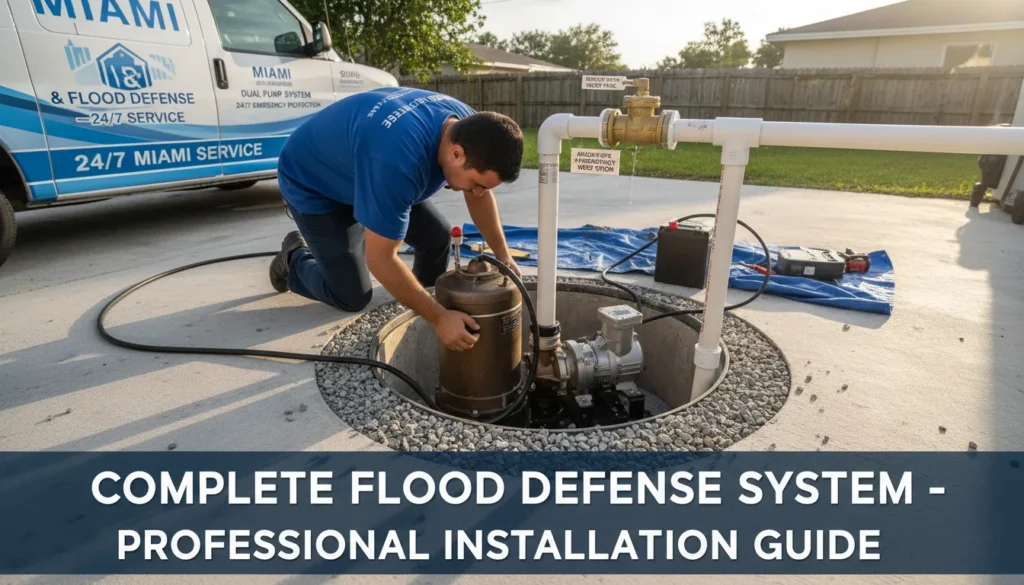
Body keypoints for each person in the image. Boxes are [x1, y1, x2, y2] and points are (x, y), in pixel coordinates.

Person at [270, 86, 524, 353]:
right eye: (476, 184)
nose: (478, 192)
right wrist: (439, 318)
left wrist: (503, 254)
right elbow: (381, 259)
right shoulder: (397, 162)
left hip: (363, 168)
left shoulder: (470, 127)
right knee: (351, 295)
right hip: (314, 183)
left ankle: (419, 306)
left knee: (437, 239)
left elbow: (479, 197)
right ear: (456, 154)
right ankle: (293, 259)